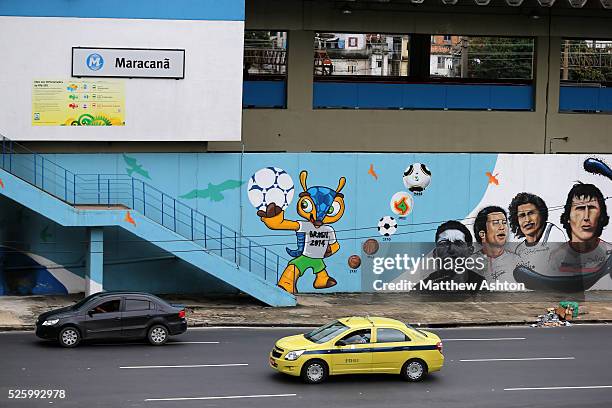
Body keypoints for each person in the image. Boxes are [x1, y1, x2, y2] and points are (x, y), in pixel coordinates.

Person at [422, 220, 485, 291]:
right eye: (444, 243)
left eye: (458, 243)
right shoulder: (420, 291)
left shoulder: (482, 287)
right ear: (435, 253)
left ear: (469, 251)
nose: (451, 249)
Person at [472, 206, 520, 284]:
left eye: (504, 223)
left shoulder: (516, 261)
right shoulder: (470, 262)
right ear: (482, 234)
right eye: (495, 223)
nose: (502, 227)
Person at [508, 192, 566, 257]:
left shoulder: (555, 235)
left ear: (541, 214)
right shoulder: (519, 250)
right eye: (522, 215)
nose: (527, 220)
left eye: (531, 213)